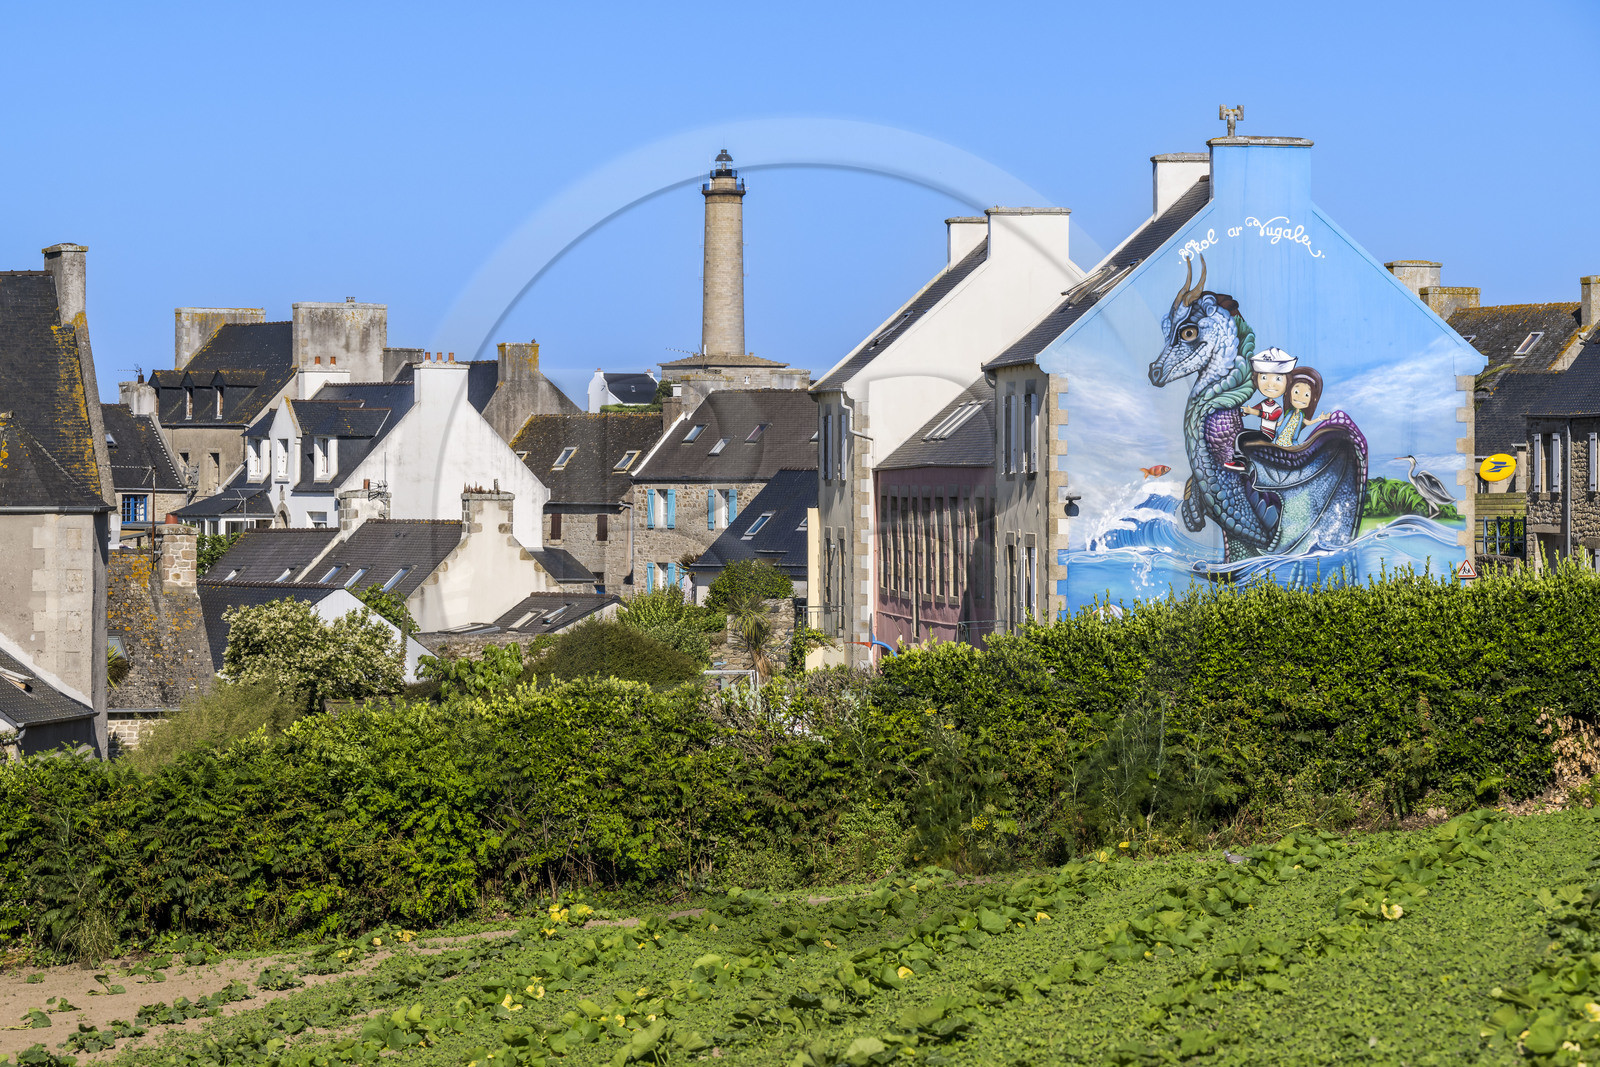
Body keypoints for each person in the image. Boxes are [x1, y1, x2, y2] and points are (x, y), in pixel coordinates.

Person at [1223, 348, 1295, 472]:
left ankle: (1240, 461)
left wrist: (1254, 412)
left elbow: (1270, 416)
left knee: (1241, 437)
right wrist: (1242, 411)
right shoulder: (1264, 403)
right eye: (1264, 378)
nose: (1270, 384)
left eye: (1278, 379)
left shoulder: (1277, 408)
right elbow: (1254, 409)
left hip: (1267, 435)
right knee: (1239, 433)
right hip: (1261, 432)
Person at [1273, 366, 1328, 446]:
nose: (1300, 397)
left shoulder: (1301, 416)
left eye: (1306, 395)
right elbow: (1281, 422)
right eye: (1296, 392)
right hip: (1282, 437)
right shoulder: (1289, 413)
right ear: (1288, 392)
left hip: (1291, 441)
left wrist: (1319, 418)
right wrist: (1272, 424)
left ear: (1313, 399)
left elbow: (1308, 422)